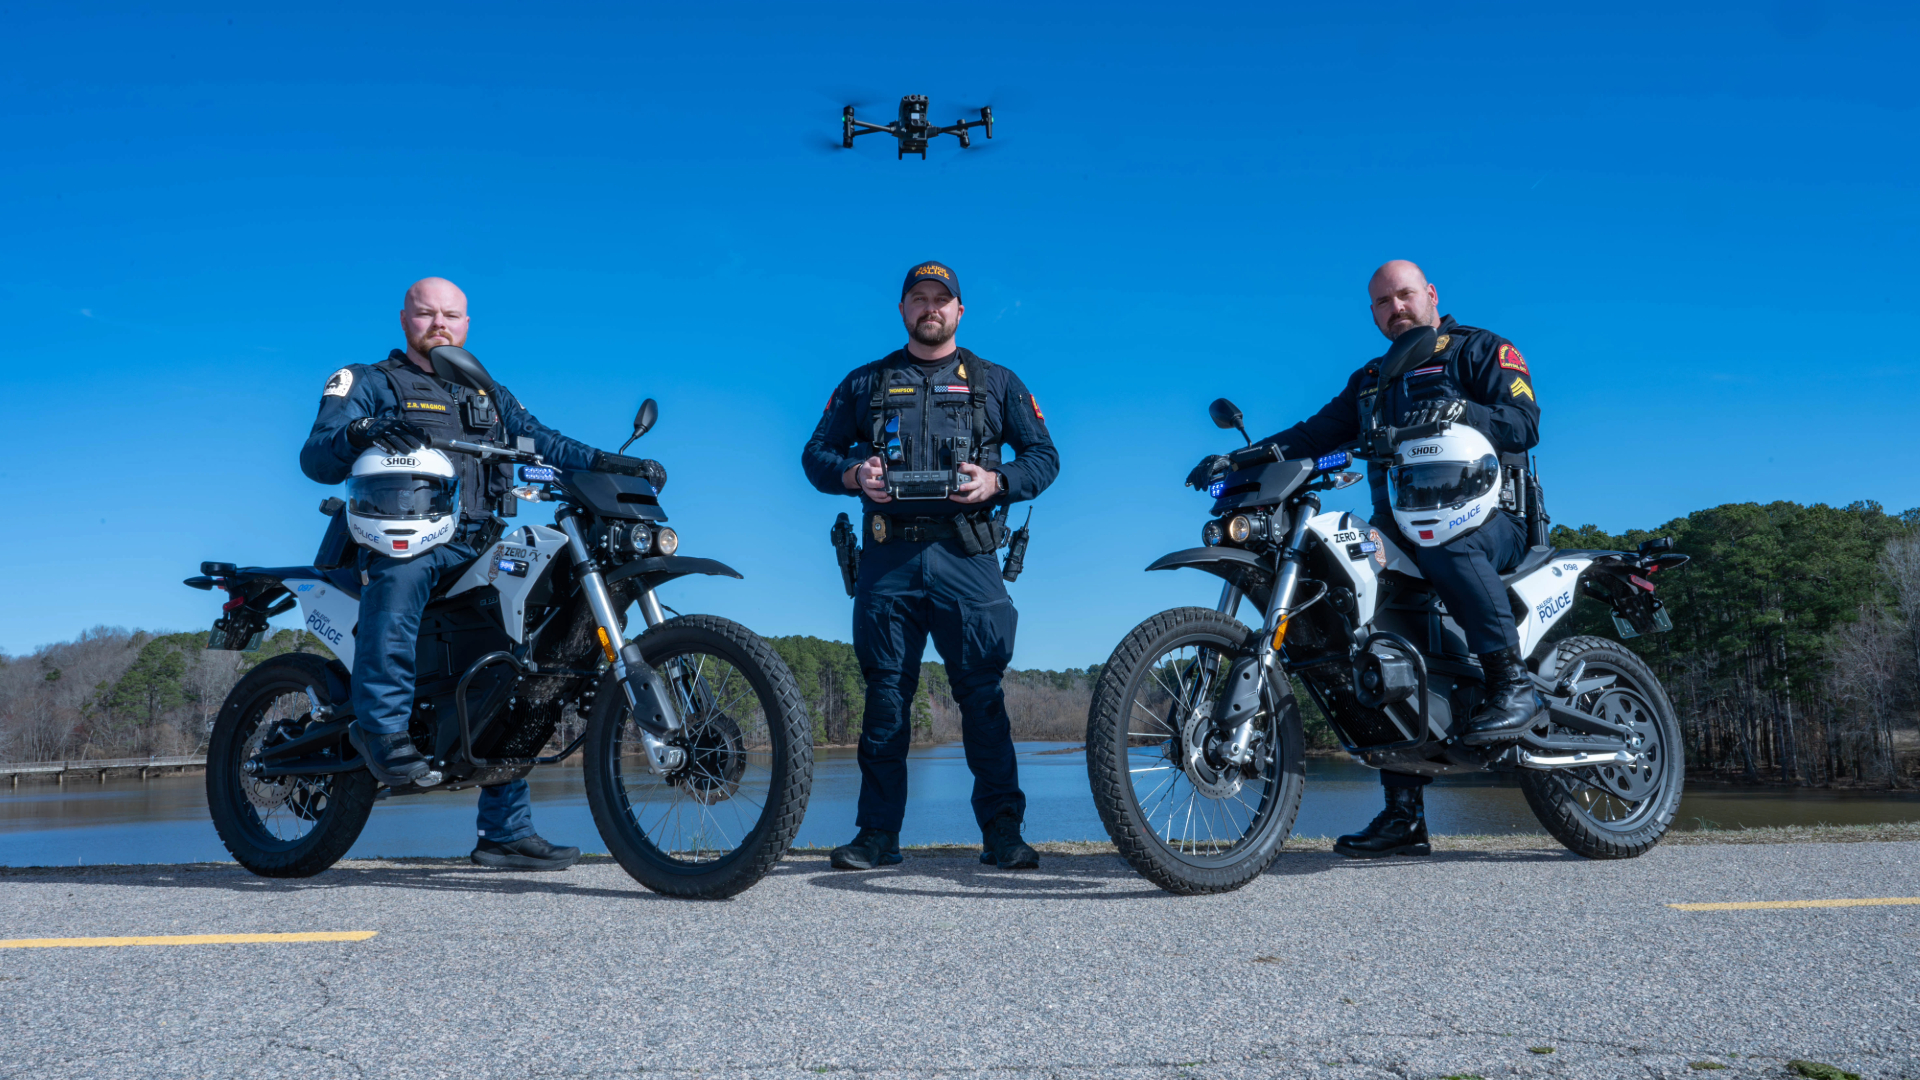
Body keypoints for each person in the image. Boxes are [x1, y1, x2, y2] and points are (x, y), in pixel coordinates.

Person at [300, 277, 663, 871]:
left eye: (452, 315)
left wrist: (608, 461)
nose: (439, 324)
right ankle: (382, 731)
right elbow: (316, 455)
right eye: (426, 314)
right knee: (402, 577)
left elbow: (543, 441)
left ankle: (504, 831)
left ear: (467, 324)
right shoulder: (368, 381)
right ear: (404, 319)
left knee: (525, 659)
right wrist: (361, 432)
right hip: (405, 539)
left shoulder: (486, 392)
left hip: (479, 543)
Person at [1189, 260, 1542, 859]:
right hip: (1400, 527)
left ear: (1430, 294)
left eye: (1404, 295)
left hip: (1490, 521)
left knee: (1447, 542)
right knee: (1364, 629)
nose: (1395, 308)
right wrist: (1239, 459)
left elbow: (1524, 422)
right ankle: (1404, 816)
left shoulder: (1480, 349)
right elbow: (1310, 435)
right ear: (1373, 313)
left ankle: (1513, 685)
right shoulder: (1372, 380)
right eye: (1383, 302)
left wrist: (1464, 413)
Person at [802, 261, 1060, 871]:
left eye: (940, 300)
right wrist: (854, 474)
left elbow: (1044, 457)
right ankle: (876, 837)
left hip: (968, 555)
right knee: (886, 701)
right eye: (918, 298)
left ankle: (1003, 835)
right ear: (902, 310)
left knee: (983, 700)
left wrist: (997, 481)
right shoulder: (865, 382)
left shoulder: (995, 382)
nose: (929, 308)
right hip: (888, 558)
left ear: (958, 311)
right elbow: (815, 455)